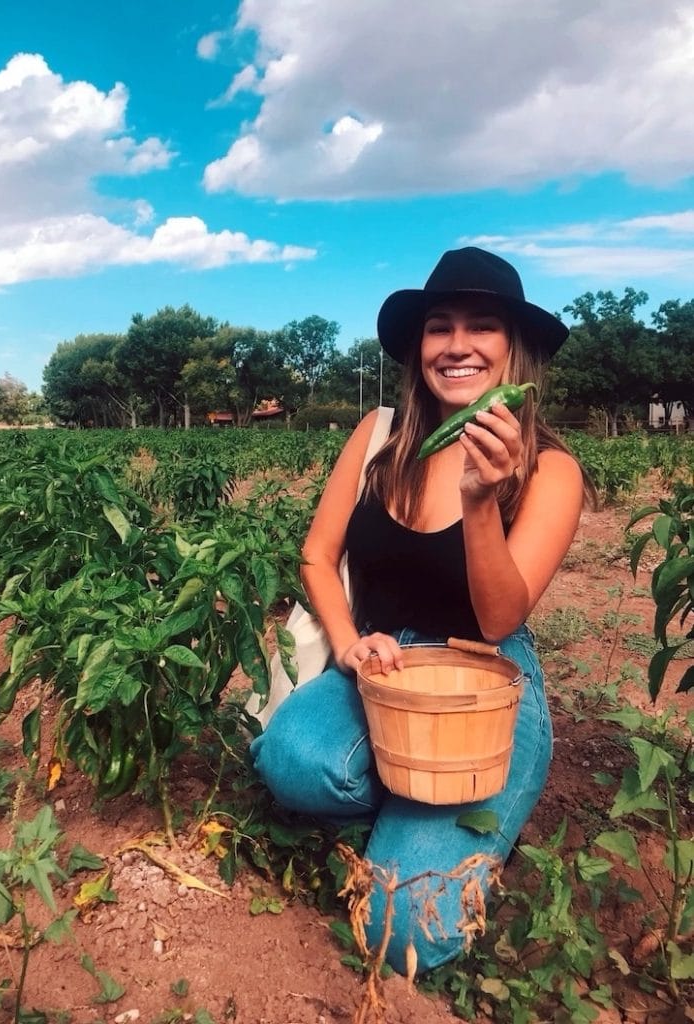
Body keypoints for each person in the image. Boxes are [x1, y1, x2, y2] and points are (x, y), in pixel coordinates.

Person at [251, 246, 595, 975]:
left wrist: (480, 501)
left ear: (514, 348)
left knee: (403, 924)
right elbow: (317, 555)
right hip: (384, 665)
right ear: (420, 347)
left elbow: (500, 619)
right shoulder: (380, 438)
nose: (458, 345)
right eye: (440, 327)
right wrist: (347, 645)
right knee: (288, 761)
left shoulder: (548, 468)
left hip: (486, 682)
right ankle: (410, 807)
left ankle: (464, 812)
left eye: (483, 327)